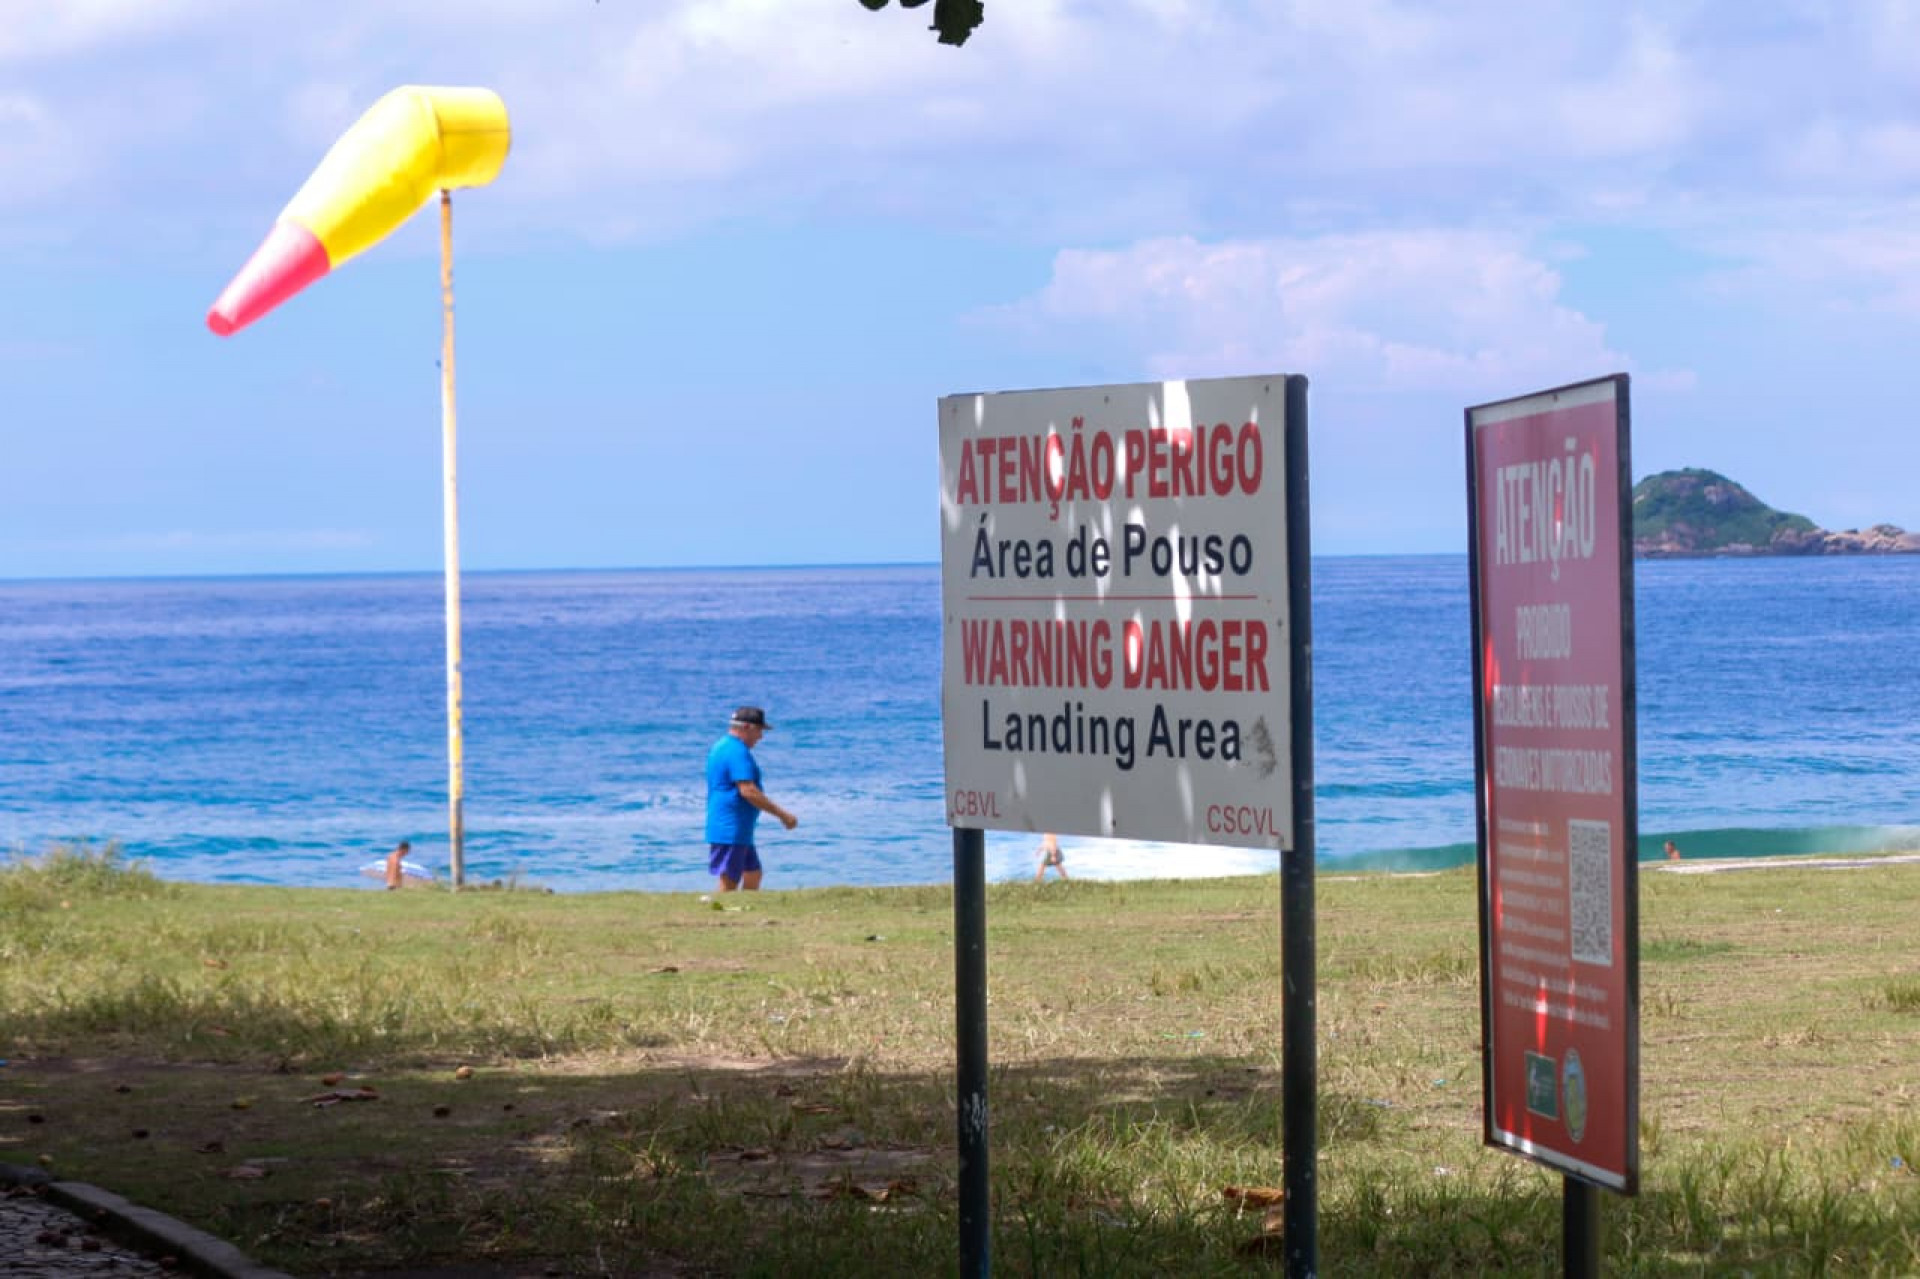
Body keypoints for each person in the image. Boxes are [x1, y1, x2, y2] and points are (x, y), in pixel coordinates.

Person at [705, 705, 797, 892]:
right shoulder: (736, 751)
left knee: (753, 873)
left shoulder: (724, 746)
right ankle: (719, 910)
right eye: (759, 731)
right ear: (746, 727)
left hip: (738, 829)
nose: (760, 737)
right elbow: (748, 790)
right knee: (729, 880)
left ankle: (746, 909)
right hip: (730, 828)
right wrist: (783, 815)